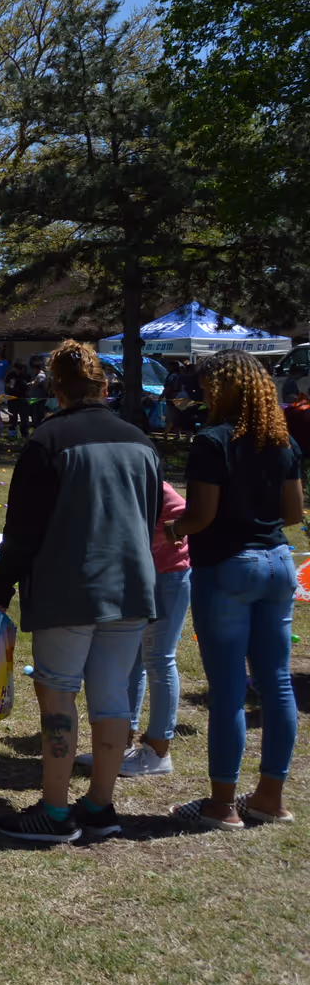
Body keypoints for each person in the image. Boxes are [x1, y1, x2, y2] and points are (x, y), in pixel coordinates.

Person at [0, 340, 162, 844]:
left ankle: (56, 812)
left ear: (55, 388)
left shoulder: (48, 441)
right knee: (112, 699)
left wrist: (0, 589)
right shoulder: (143, 442)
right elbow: (147, 520)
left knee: (58, 694)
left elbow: (21, 531)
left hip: (69, 589)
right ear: (104, 386)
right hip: (130, 587)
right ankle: (101, 806)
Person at [164, 349, 302, 829]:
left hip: (227, 567)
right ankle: (269, 796)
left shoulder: (212, 441)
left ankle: (221, 804)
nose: (200, 391)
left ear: (223, 388)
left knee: (226, 690)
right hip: (279, 563)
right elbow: (293, 514)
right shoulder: (281, 440)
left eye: (206, 385)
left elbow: (201, 516)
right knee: (277, 683)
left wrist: (174, 530)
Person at [76, 482, 189, 779]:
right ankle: (123, 743)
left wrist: (172, 533)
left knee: (159, 659)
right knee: (135, 659)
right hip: (140, 578)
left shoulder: (155, 485)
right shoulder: (120, 481)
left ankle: (158, 751)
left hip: (167, 577)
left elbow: (191, 515)